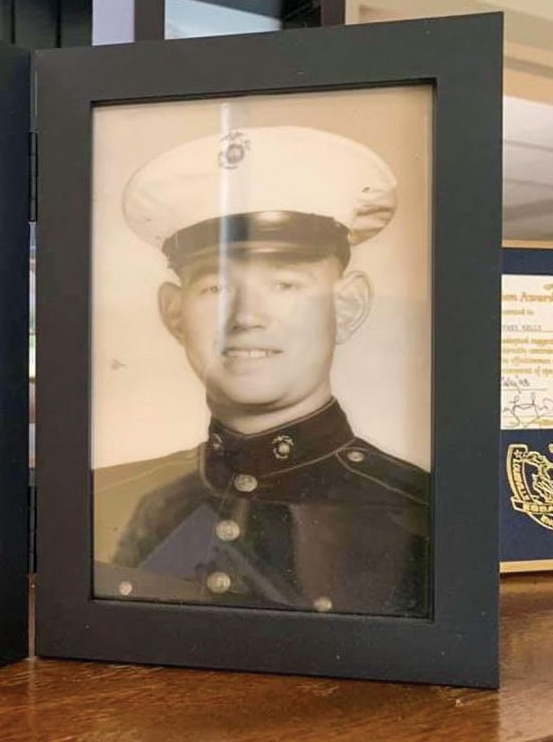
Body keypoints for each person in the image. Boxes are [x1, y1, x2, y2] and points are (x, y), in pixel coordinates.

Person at [93, 126, 430, 617]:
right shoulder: (120, 500)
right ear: (173, 313)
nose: (247, 316)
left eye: (286, 285)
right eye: (215, 288)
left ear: (349, 306)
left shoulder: (423, 516)